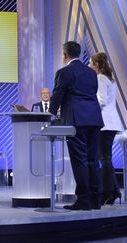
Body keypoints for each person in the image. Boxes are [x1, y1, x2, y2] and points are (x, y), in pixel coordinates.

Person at [49, 41, 104, 210]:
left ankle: (84, 200)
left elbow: (58, 95)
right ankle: (95, 200)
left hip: (76, 121)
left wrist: (50, 113)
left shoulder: (64, 72)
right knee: (92, 160)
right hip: (94, 119)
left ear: (65, 55)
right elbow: (92, 93)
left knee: (79, 160)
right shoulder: (91, 73)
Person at [89, 52, 124, 205]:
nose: (89, 66)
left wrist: (88, 101)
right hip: (109, 122)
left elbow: (101, 100)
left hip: (105, 123)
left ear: (96, 65)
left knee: (104, 158)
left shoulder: (101, 78)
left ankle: (107, 193)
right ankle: (114, 191)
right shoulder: (108, 78)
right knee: (105, 157)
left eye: (90, 63)